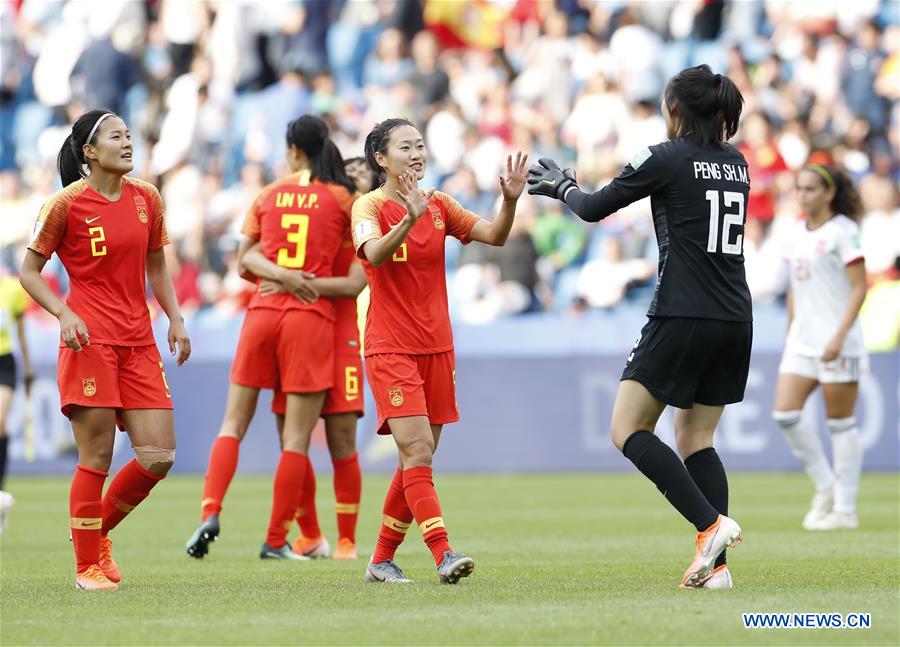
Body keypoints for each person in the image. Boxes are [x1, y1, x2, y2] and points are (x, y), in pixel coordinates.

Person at [528, 64, 749, 590]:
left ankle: (710, 527)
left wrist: (562, 187)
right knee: (697, 437)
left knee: (627, 429)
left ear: (675, 110)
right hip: (735, 316)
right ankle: (714, 568)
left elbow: (593, 208)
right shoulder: (736, 162)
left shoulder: (664, 156)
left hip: (681, 312)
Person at [19, 110, 190, 591]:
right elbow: (29, 272)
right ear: (90, 151)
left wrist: (175, 317)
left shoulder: (147, 198)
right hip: (88, 341)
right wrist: (64, 313)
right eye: (117, 136)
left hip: (139, 341)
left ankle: (96, 536)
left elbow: (157, 265)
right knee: (96, 456)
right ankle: (86, 568)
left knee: (159, 455)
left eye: (130, 135)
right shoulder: (64, 204)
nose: (129, 142)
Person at [352, 117, 528, 584]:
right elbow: (373, 255)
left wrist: (508, 201)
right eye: (405, 147)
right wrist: (407, 219)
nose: (416, 154)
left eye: (420, 146)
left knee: (415, 458)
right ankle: (443, 553)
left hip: (438, 348)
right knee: (418, 449)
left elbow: (496, 235)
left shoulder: (440, 204)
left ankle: (380, 561)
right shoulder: (367, 206)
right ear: (381, 159)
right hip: (390, 346)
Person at [184, 116, 356, 561]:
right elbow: (356, 280)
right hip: (309, 319)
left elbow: (244, 262)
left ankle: (209, 510)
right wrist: (303, 280)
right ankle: (277, 539)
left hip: (261, 313)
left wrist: (278, 273)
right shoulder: (342, 199)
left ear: (293, 151)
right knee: (295, 441)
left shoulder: (268, 194)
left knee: (231, 425)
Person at [259, 151, 375, 561]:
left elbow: (352, 285)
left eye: (364, 173)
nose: (355, 178)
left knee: (342, 439)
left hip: (341, 336)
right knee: (292, 438)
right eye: (350, 172)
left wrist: (292, 283)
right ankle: (310, 534)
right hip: (298, 332)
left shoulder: (368, 224)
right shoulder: (321, 218)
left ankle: (346, 540)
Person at [772, 165, 868, 531]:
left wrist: (839, 336)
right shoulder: (795, 233)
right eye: (799, 188)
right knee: (785, 414)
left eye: (810, 189)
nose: (803, 195)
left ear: (829, 193)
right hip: (803, 340)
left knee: (840, 423)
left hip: (837, 340)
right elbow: (796, 288)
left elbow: (860, 287)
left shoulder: (844, 232)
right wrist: (790, 331)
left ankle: (845, 509)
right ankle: (825, 486)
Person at [0, 264, 33, 535]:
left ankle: (0, 489)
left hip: (4, 363)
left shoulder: (12, 290)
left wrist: (29, 366)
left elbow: (21, 333)